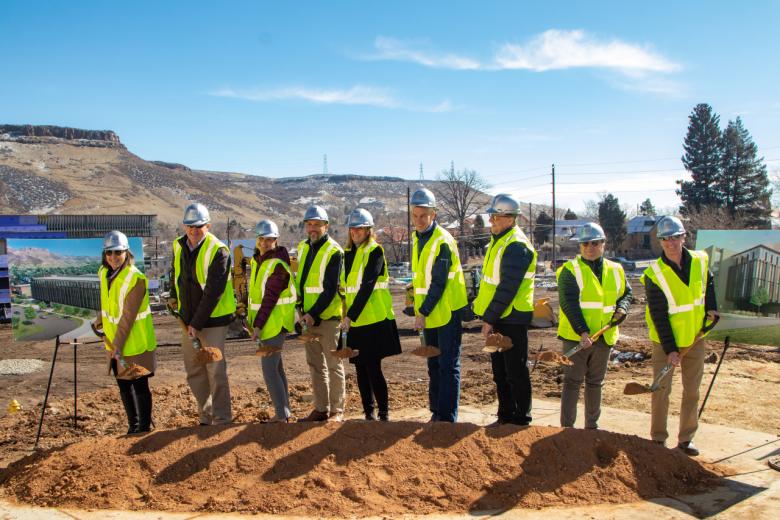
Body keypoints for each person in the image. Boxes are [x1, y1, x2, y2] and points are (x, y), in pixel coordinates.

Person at [641, 216, 718, 456]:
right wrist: (671, 349)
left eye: (675, 237)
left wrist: (711, 307)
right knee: (661, 390)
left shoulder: (700, 260)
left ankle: (686, 438)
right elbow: (658, 315)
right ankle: (658, 439)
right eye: (665, 239)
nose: (671, 243)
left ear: (684, 237)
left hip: (695, 337)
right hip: (665, 342)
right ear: (660, 242)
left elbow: (709, 282)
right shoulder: (654, 273)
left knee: (692, 391)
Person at [557, 222, 632, 429]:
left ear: (603, 244)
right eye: (586, 243)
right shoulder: (569, 271)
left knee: (595, 383)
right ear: (580, 246)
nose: (590, 247)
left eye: (595, 243)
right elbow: (569, 304)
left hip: (604, 336)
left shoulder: (616, 269)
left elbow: (626, 293)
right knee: (572, 382)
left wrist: (622, 309)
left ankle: (591, 427)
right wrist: (582, 331)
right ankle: (567, 429)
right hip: (576, 338)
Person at [168, 202, 236, 426]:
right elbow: (175, 274)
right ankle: (206, 416)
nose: (194, 231)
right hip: (188, 320)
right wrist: (172, 296)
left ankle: (222, 417)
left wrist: (196, 324)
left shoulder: (219, 251)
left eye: (199, 226)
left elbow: (213, 293)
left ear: (208, 225)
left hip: (213, 321)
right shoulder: (179, 246)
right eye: (190, 226)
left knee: (215, 370)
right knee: (194, 369)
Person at [472, 194, 537, 426]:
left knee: (515, 371)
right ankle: (505, 414)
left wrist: (489, 320)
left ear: (509, 218)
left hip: (512, 318)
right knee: (500, 372)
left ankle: (521, 417)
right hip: (500, 317)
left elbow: (507, 287)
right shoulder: (500, 241)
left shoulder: (516, 245)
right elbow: (491, 284)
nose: (491, 221)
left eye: (495, 217)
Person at [410, 188, 468, 422]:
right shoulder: (418, 239)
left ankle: (446, 417)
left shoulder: (442, 240)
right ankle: (436, 411)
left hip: (447, 311)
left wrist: (422, 312)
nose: (419, 220)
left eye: (424, 215)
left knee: (448, 364)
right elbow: (421, 280)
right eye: (415, 215)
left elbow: (439, 283)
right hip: (430, 312)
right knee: (433, 362)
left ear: (433, 214)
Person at [340, 208, 402, 421]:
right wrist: (344, 314)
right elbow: (347, 289)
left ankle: (383, 412)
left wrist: (350, 316)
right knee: (359, 369)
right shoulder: (347, 254)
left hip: (373, 319)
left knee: (373, 368)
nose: (355, 232)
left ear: (368, 230)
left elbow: (367, 285)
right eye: (352, 228)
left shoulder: (375, 251)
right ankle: (368, 412)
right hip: (355, 321)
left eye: (360, 228)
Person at [94, 231, 157, 434]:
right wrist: (100, 320)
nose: (113, 257)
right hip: (115, 341)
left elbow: (128, 316)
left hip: (135, 343)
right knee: (123, 385)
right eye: (109, 253)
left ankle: (144, 427)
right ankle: (133, 426)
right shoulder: (104, 274)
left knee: (139, 384)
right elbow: (107, 303)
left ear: (126, 252)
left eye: (118, 252)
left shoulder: (135, 278)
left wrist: (117, 346)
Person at [295, 205, 346, 422]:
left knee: (333, 365)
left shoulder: (334, 251)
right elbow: (301, 282)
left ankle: (337, 410)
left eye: (317, 224)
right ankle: (320, 408)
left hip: (327, 318)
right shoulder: (303, 248)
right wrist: (300, 309)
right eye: (309, 224)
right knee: (315, 365)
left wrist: (313, 313)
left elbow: (330, 289)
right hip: (308, 318)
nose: (313, 228)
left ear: (326, 226)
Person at [247, 219, 296, 423]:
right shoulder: (257, 260)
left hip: (275, 323)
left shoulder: (278, 265)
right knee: (277, 368)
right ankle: (285, 412)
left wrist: (257, 325)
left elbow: (270, 298)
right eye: (262, 239)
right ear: (257, 240)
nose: (265, 243)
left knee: (269, 370)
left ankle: (281, 415)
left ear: (276, 240)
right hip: (266, 322)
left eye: (270, 239)